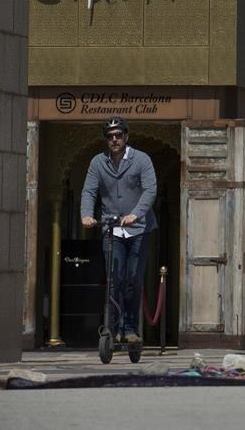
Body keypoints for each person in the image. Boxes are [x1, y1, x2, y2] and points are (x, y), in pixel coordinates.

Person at [80, 117, 158, 344]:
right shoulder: (98, 163)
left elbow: (150, 190)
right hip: (111, 228)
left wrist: (136, 213)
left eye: (118, 135)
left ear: (126, 136)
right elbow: (88, 192)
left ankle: (130, 328)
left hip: (139, 229)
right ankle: (113, 328)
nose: (114, 140)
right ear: (106, 140)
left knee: (133, 278)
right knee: (114, 279)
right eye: (110, 136)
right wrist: (86, 214)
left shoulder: (141, 159)